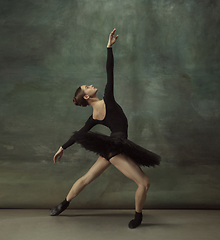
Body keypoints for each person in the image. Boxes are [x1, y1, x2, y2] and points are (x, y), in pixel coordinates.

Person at [50, 28, 161, 229]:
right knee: (144, 183)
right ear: (86, 96)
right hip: (116, 148)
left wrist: (62, 147)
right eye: (87, 87)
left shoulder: (93, 117)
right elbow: (110, 71)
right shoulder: (107, 99)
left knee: (86, 179)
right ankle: (138, 217)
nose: (91, 85)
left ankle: (63, 204)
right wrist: (109, 48)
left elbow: (79, 135)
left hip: (111, 148)